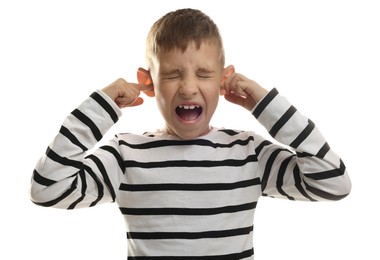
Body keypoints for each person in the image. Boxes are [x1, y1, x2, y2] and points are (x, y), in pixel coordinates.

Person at [30, 8, 351, 259]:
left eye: (203, 73)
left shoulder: (248, 152)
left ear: (224, 80)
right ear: (148, 82)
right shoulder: (125, 154)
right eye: (171, 74)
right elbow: (47, 190)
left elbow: (334, 183)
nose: (187, 87)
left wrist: (266, 104)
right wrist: (98, 107)